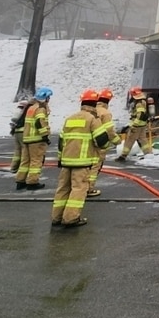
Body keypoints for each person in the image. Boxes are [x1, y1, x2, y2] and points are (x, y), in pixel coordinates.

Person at [51, 89, 110, 228]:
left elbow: (61, 142)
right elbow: (102, 141)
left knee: (63, 189)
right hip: (82, 163)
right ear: (94, 104)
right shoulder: (92, 119)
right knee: (78, 190)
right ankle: (70, 218)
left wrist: (60, 159)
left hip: (66, 161)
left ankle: (56, 217)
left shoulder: (70, 118)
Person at [15, 87, 53, 191]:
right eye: (48, 97)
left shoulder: (31, 108)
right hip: (36, 140)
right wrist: (45, 136)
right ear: (45, 98)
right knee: (36, 161)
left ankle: (20, 181)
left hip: (27, 139)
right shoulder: (40, 109)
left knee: (25, 161)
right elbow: (39, 122)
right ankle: (32, 182)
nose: (49, 99)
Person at [86, 88, 121, 198]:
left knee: (85, 167)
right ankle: (88, 189)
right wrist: (118, 141)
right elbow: (109, 131)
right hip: (99, 144)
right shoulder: (105, 113)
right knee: (95, 167)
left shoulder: (91, 109)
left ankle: (80, 187)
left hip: (87, 143)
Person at [115, 87, 152, 161]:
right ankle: (148, 154)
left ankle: (123, 156)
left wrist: (134, 124)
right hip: (142, 125)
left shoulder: (139, 103)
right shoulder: (143, 101)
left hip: (137, 126)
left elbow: (140, 115)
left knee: (129, 140)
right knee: (143, 140)